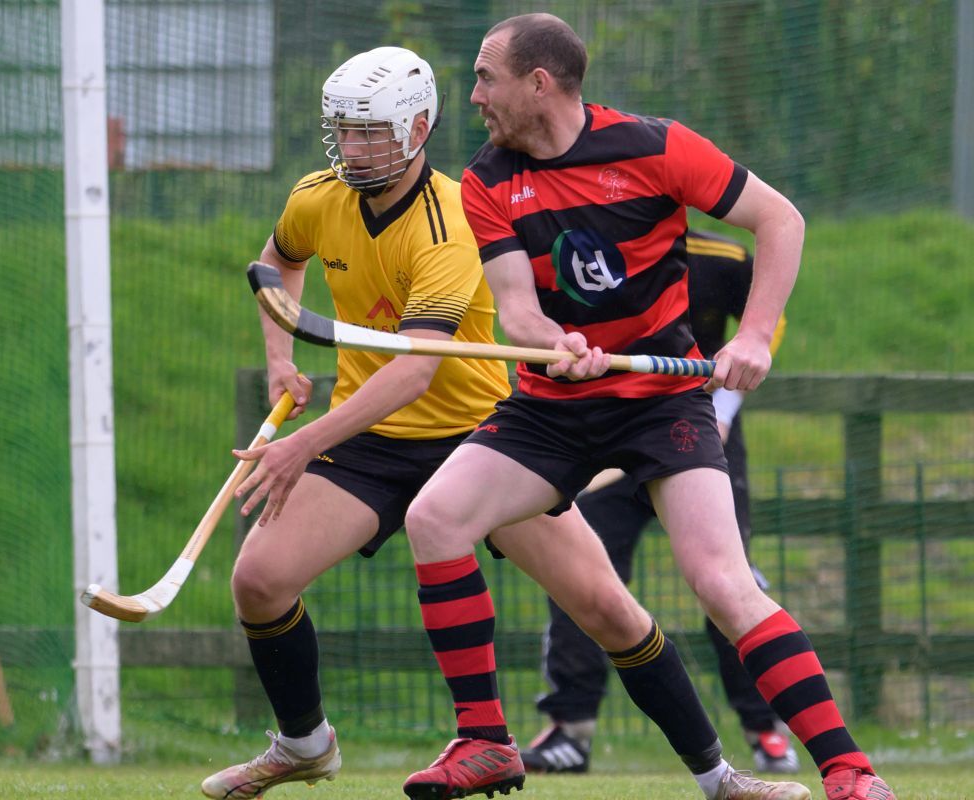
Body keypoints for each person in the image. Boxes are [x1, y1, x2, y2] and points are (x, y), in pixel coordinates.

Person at [202, 46, 808, 800]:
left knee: (607, 611)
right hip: (372, 441)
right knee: (259, 580)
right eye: (343, 132)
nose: (352, 148)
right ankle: (305, 744)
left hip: (479, 435)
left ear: (417, 128)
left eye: (371, 132)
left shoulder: (450, 219)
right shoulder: (315, 196)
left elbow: (416, 370)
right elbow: (275, 267)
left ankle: (720, 778)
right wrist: (279, 362)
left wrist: (302, 444)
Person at [402, 13, 897, 800]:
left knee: (725, 586)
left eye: (486, 77)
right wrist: (553, 343)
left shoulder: (655, 146)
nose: (474, 96)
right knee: (434, 520)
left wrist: (758, 337)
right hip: (550, 407)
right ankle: (486, 740)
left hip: (659, 402)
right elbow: (516, 310)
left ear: (540, 83)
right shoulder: (488, 177)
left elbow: (781, 220)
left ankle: (849, 769)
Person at [521, 231, 801, 776]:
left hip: (697, 432)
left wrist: (723, 409)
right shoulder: (581, 247)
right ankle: (569, 731)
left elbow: (766, 327)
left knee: (730, 583)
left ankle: (766, 729)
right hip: (605, 437)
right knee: (579, 576)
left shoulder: (724, 258)